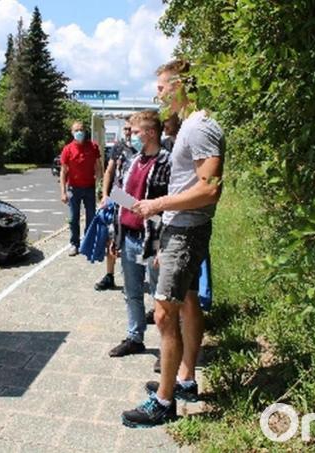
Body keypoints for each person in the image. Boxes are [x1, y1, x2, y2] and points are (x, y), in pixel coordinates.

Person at [121, 59, 225, 428]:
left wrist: (158, 204)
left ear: (181, 86)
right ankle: (183, 380)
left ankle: (163, 403)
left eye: (163, 87)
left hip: (186, 228)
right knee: (188, 301)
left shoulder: (199, 126)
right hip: (180, 227)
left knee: (164, 313)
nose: (159, 93)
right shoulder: (190, 125)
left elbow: (209, 188)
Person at [108, 111, 171, 358]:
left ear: (151, 133)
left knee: (161, 296)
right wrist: (116, 235)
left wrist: (163, 242)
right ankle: (135, 337)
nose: (131, 137)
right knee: (132, 292)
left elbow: (171, 208)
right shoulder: (134, 160)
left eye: (136, 132)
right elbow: (120, 196)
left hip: (154, 240)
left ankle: (167, 350)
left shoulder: (168, 162)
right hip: (130, 238)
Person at [95, 117, 137, 290]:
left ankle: (135, 278)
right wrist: (105, 195)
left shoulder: (143, 149)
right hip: (118, 197)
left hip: (136, 201)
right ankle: (110, 275)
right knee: (111, 238)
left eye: (131, 129)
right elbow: (109, 171)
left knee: (134, 240)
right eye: (126, 129)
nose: (128, 132)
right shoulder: (118, 148)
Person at [60, 121, 103, 256]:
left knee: (91, 217)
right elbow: (63, 172)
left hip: (90, 188)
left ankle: (87, 243)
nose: (79, 132)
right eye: (76, 130)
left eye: (82, 129)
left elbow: (98, 167)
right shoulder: (68, 149)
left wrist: (100, 186)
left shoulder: (93, 146)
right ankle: (74, 244)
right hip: (74, 189)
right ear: (72, 133)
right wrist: (63, 192)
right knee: (74, 218)